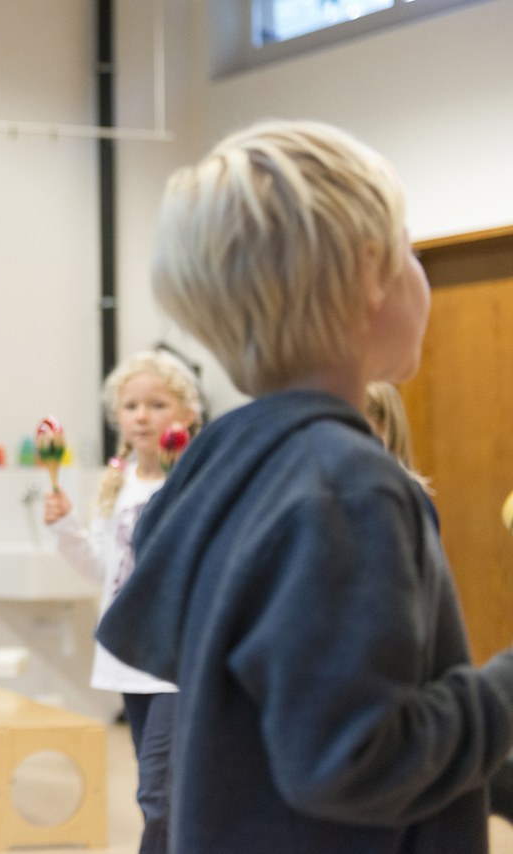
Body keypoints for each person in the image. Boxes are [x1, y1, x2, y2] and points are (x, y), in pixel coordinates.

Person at [96, 120, 513, 852]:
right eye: (412, 252)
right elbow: (352, 761)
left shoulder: (221, 461)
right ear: (369, 274)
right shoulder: (346, 487)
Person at [43, 349, 201, 854]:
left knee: (160, 795)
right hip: (129, 656)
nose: (142, 416)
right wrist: (65, 527)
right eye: (131, 406)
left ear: (187, 414)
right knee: (159, 792)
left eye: (158, 404)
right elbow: (103, 571)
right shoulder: (119, 485)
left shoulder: (197, 481)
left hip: (177, 657)